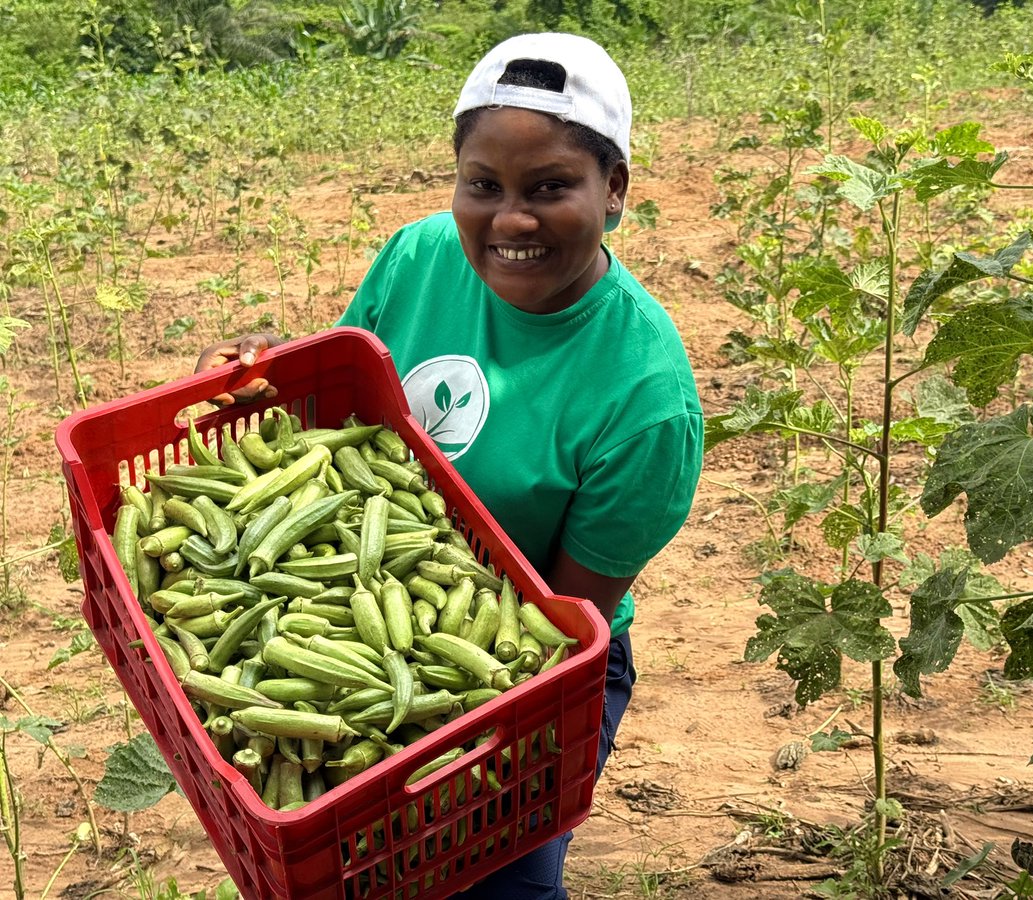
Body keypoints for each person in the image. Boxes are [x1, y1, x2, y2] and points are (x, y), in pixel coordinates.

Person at [195, 32, 703, 899]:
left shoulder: (646, 398)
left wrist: (423, 711)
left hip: (520, 673)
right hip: (346, 584)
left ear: (614, 190)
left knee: (492, 874)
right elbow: (339, 427)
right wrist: (271, 383)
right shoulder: (421, 254)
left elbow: (551, 627)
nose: (510, 220)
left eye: (550, 187)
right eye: (484, 186)